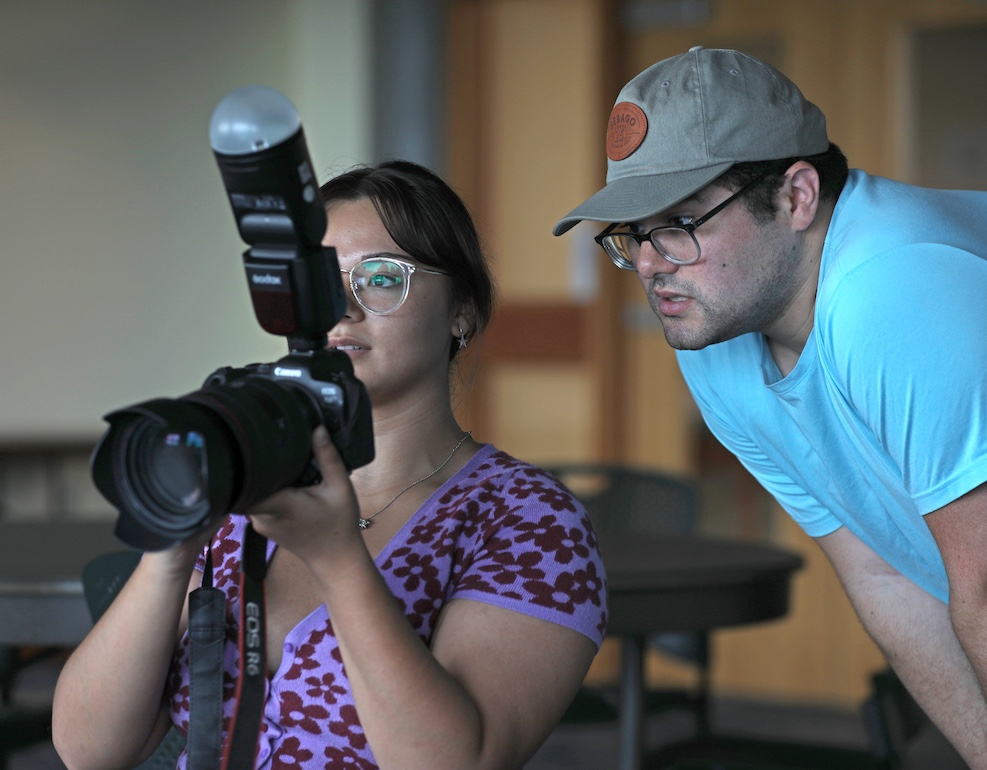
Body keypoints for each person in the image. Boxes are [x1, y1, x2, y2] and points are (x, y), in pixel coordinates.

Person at [553, 46, 987, 770]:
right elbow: (883, 571)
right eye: (634, 233)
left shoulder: (893, 292)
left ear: (797, 197)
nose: (648, 262)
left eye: (680, 221)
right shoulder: (717, 338)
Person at [54, 159, 608, 770]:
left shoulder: (530, 521)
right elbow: (86, 751)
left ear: (462, 311)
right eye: (320, 283)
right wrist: (172, 549)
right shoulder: (253, 480)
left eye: (378, 277)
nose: (341, 308)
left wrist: (338, 559)